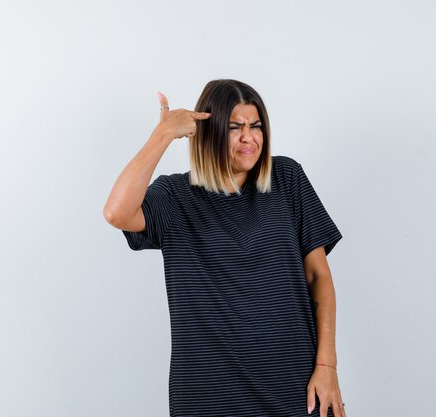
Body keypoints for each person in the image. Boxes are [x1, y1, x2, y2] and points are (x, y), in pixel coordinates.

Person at [103, 79, 346, 417]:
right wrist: (162, 136)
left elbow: (319, 275)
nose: (250, 137)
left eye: (256, 126)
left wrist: (327, 366)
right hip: (208, 396)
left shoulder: (287, 179)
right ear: (210, 132)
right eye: (235, 128)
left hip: (295, 386)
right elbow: (117, 212)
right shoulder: (175, 197)